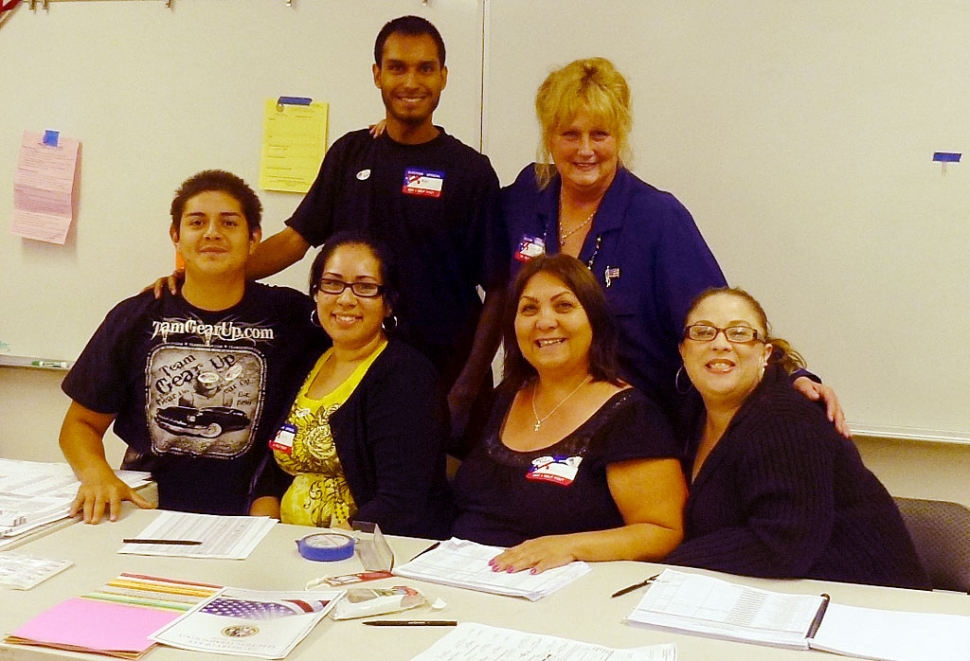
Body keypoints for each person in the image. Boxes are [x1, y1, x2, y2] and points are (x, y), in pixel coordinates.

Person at [157, 16, 508, 445]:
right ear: (377, 74)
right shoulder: (349, 153)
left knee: (434, 500)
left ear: (444, 77)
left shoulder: (471, 171)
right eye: (397, 67)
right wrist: (203, 280)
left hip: (444, 376)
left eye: (425, 68)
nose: (411, 81)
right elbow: (294, 240)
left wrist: (468, 388)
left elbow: (498, 288)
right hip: (353, 370)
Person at [500, 57, 846, 438]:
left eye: (600, 134)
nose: (585, 150)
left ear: (620, 137)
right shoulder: (523, 200)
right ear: (549, 137)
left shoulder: (658, 217)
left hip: (635, 426)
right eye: (570, 134)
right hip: (538, 415)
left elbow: (718, 321)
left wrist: (793, 376)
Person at [60, 170, 326, 523]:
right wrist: (97, 476)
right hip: (148, 510)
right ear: (176, 235)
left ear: (254, 238)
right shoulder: (136, 317)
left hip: (253, 514)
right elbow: (79, 424)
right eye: (197, 222)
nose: (212, 233)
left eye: (229, 223)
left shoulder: (293, 317)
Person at [663, 287, 930, 589]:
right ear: (683, 350)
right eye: (703, 332)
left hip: (871, 604)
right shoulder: (693, 415)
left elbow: (782, 546)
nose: (720, 343)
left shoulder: (786, 418)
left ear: (764, 355)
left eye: (739, 333)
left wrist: (670, 559)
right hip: (778, 595)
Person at [451, 254, 687, 573]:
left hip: (560, 597)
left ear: (595, 320)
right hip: (462, 579)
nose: (545, 322)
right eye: (529, 309)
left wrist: (568, 545)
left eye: (563, 306)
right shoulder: (502, 399)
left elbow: (663, 532)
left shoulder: (630, 416)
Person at [250, 233, 453, 539]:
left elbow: (401, 503)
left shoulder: (405, 376)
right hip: (285, 546)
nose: (345, 299)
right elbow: (272, 473)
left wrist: (324, 547)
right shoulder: (307, 361)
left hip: (360, 553)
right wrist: (261, 535)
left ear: (388, 303)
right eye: (332, 283)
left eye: (365, 287)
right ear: (316, 294)